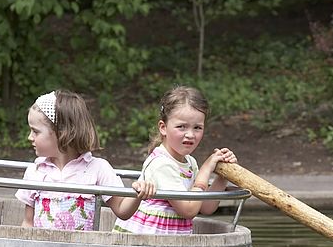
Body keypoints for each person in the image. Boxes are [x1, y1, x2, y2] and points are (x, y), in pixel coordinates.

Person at [16, 90, 155, 231]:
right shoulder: (36, 171)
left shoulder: (97, 168)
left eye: (36, 131)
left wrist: (138, 192)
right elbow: (28, 223)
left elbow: (121, 209)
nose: (29, 137)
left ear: (62, 131)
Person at [113, 85, 237, 235]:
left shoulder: (189, 162)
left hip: (171, 246)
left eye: (197, 127)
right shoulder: (161, 164)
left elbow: (205, 207)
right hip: (145, 244)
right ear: (163, 127)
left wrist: (223, 175)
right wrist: (205, 170)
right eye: (181, 127)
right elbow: (189, 210)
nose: (190, 134)